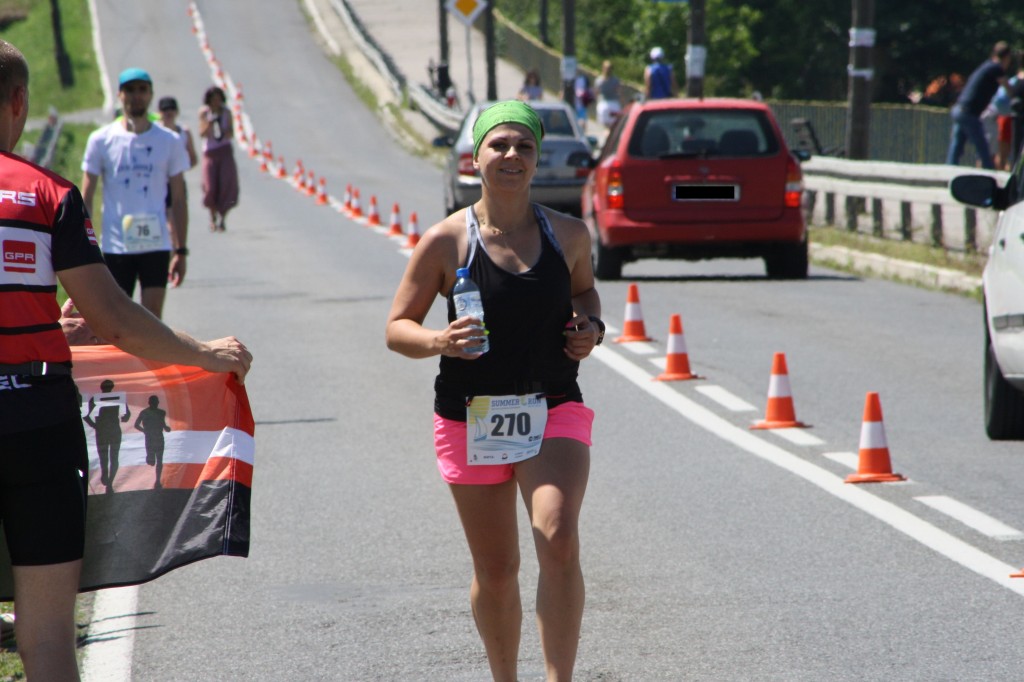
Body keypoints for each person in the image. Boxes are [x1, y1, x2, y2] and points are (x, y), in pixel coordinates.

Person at [0, 39, 252, 681]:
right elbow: (113, 319)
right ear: (19, 102)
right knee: (48, 638)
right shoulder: (47, 194)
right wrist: (204, 353)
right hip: (37, 424)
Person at [385, 100, 603, 682]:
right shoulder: (446, 241)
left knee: (558, 537)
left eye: (524, 146)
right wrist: (441, 341)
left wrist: (590, 327)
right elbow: (397, 329)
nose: (512, 155)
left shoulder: (569, 234)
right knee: (498, 569)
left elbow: (584, 293)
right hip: (470, 413)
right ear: (475, 157)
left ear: (537, 157)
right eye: (499, 144)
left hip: (552, 403)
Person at [82, 68, 190, 320]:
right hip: (116, 245)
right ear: (120, 95)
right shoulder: (101, 140)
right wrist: (84, 247)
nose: (136, 96)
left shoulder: (169, 141)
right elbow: (86, 196)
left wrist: (181, 250)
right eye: (130, 90)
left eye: (142, 89)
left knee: (152, 318)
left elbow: (178, 199)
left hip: (156, 243)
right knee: (116, 320)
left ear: (151, 94)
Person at [946, 41, 1013, 169]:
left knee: (957, 145)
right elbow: (1008, 88)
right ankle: (989, 172)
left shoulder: (987, 65)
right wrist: (1016, 95)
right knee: (982, 146)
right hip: (969, 113)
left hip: (959, 109)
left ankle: (949, 170)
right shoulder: (996, 68)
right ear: (1006, 57)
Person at [198, 85, 239, 233]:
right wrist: (209, 123)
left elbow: (231, 133)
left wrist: (224, 130)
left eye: (218, 99)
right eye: (213, 99)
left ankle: (222, 218)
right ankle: (212, 216)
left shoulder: (226, 112)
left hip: (224, 151)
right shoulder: (204, 113)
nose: (216, 102)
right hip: (210, 153)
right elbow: (202, 133)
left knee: (227, 185)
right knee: (210, 187)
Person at [135, 395, 171, 489]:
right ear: (149, 403)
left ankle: (157, 481)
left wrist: (166, 428)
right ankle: (149, 457)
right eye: (153, 402)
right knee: (152, 461)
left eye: (156, 402)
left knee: (159, 459)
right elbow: (136, 425)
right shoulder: (144, 413)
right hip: (149, 438)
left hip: (159, 438)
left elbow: (162, 423)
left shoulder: (161, 412)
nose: (155, 403)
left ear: (158, 402)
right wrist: (144, 431)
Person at [594, 60, 622, 128]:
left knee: (609, 125)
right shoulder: (600, 80)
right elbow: (619, 92)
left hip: (608, 103)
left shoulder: (600, 80)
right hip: (609, 103)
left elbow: (596, 93)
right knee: (609, 125)